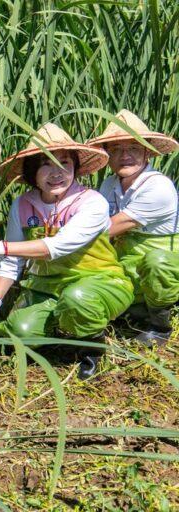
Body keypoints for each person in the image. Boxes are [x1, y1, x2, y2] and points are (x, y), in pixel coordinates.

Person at [0, 123, 134, 379]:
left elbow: (56, 247)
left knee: (77, 298)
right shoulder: (22, 205)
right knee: (21, 333)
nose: (56, 173)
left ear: (75, 168)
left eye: (64, 163)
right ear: (33, 172)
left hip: (99, 283)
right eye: (46, 164)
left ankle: (92, 350)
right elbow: (13, 261)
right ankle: (57, 325)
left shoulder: (91, 202)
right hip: (46, 288)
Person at [87, 109, 179, 345]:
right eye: (116, 149)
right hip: (127, 260)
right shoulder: (109, 184)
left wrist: (55, 245)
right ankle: (136, 307)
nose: (124, 155)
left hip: (165, 262)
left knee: (157, 262)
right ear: (107, 154)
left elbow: (105, 229)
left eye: (133, 148)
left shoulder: (159, 187)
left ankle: (160, 325)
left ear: (147, 152)